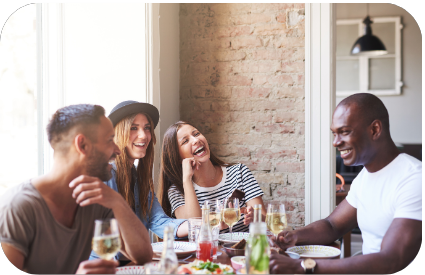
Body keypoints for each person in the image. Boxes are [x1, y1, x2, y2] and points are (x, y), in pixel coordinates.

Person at [269, 93, 422, 274]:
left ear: (375, 129)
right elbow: (333, 225)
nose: (336, 142)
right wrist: (295, 236)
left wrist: (302, 266)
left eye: (344, 132)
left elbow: (391, 259)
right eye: (334, 133)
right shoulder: (364, 177)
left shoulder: (414, 178)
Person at [0, 104, 153, 274]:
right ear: (83, 145)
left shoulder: (95, 199)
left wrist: (118, 203)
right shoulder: (17, 208)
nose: (117, 150)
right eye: (110, 140)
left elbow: (143, 256)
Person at [89, 100, 188, 263]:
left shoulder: (140, 178)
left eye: (146, 128)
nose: (143, 135)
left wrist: (207, 223)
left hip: (128, 264)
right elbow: (110, 238)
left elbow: (159, 222)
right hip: (102, 266)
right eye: (134, 128)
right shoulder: (104, 174)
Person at [158, 121, 267, 233]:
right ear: (177, 158)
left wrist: (256, 217)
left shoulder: (239, 172)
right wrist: (186, 180)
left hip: (243, 249)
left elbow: (266, 222)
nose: (196, 140)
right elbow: (194, 228)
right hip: (208, 250)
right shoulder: (177, 191)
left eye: (196, 134)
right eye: (185, 141)